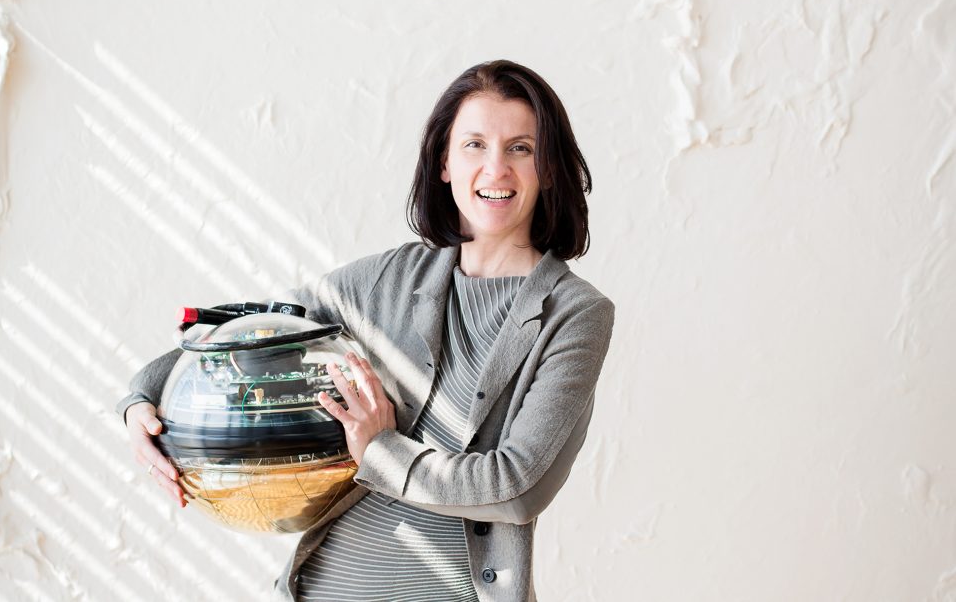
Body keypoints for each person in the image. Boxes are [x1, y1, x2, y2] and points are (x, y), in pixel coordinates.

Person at [117, 59, 615, 602]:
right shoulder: (386, 278)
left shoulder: (577, 314)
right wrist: (142, 396)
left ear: (548, 167)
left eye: (520, 147)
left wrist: (379, 450)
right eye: (474, 144)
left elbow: (515, 486)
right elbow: (253, 330)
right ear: (444, 163)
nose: (496, 169)